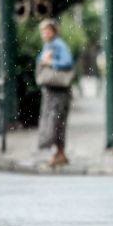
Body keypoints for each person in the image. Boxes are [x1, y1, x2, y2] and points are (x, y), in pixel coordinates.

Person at [36, 19, 74, 167]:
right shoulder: (49, 45)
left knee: (56, 122)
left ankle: (59, 154)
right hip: (52, 91)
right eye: (42, 31)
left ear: (53, 31)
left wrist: (50, 63)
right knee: (55, 122)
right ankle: (59, 153)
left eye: (47, 30)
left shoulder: (58, 45)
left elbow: (67, 62)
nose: (44, 34)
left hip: (59, 91)